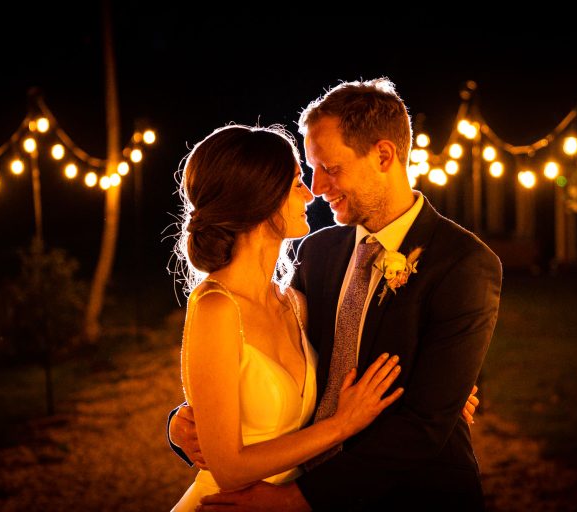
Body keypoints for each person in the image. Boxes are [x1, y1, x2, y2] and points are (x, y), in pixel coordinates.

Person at [171, 77, 501, 511]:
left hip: (409, 496)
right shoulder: (319, 253)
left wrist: (295, 499)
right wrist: (182, 422)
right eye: (309, 170)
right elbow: (252, 356)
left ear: (383, 155)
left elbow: (424, 423)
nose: (317, 187)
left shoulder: (463, 263)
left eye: (330, 167)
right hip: (293, 481)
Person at [169, 124, 407, 512]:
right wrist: (341, 426)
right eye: (297, 181)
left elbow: (359, 349)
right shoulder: (216, 308)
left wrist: (438, 385)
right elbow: (228, 468)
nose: (310, 193)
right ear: (260, 195)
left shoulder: (294, 303)